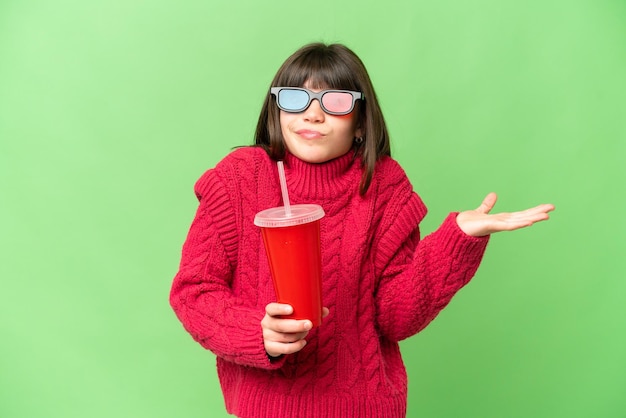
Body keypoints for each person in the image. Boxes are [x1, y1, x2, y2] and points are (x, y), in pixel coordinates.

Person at [169, 42, 554, 418]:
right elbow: (194, 291)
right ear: (277, 110)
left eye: (334, 103)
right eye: (295, 99)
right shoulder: (240, 178)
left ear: (359, 122)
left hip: (364, 406)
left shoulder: (384, 186)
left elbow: (396, 317)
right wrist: (258, 333)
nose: (312, 115)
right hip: (265, 406)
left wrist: (457, 240)